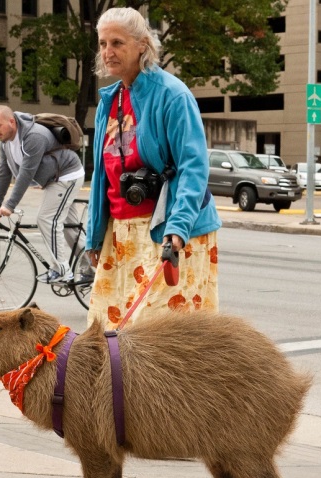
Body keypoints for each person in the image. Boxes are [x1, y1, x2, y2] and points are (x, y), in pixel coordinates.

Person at [85, 7, 222, 329]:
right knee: (109, 331)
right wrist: (94, 236)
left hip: (167, 231)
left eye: (117, 42)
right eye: (103, 43)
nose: (108, 51)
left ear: (142, 45)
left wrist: (179, 227)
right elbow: (101, 174)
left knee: (159, 339)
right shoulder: (111, 99)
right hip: (120, 233)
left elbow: (193, 166)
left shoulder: (172, 95)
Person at [0, 105, 85, 283]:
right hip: (53, 179)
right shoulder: (6, 142)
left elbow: (27, 173)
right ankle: (91, 268)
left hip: (67, 176)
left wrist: (10, 205)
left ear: (11, 121)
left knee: (47, 219)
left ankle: (62, 270)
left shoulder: (33, 136)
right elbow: (4, 171)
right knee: (70, 228)